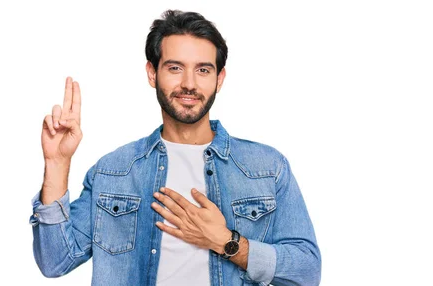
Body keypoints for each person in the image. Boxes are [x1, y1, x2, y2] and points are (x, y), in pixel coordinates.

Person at [30, 10, 321, 286]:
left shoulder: (267, 168)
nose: (189, 84)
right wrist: (57, 164)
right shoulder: (113, 171)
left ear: (219, 79)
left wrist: (226, 242)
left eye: (203, 70)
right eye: (175, 68)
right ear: (152, 73)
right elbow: (55, 261)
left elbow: (307, 271)